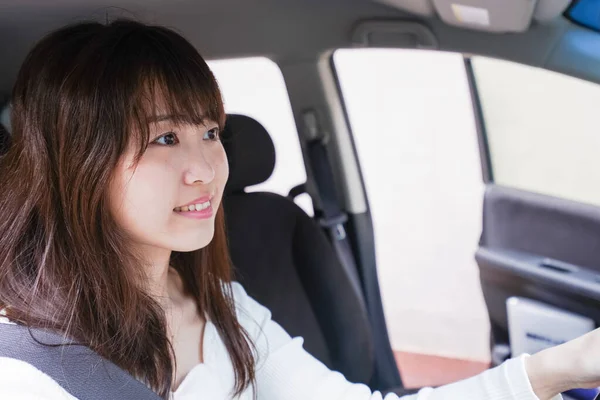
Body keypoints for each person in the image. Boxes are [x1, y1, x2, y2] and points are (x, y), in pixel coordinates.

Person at [0, 18, 597, 400]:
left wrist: (560, 367)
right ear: (76, 163)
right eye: (164, 139)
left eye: (210, 132)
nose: (206, 167)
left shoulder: (222, 307)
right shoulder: (28, 369)